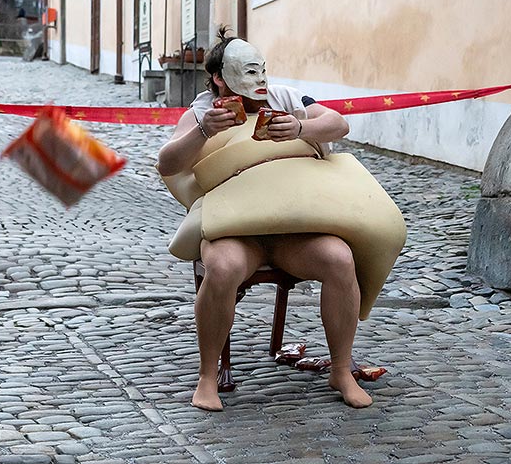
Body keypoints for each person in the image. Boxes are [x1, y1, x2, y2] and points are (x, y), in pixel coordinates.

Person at [158, 27, 405, 410]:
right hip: (237, 231)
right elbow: (168, 163)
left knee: (340, 258)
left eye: (261, 70)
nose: (258, 81)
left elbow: (339, 124)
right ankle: (208, 376)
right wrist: (204, 131)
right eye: (246, 73)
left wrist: (300, 127)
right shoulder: (201, 112)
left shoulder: (286, 98)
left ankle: (340, 369)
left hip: (295, 228)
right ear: (220, 78)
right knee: (222, 266)